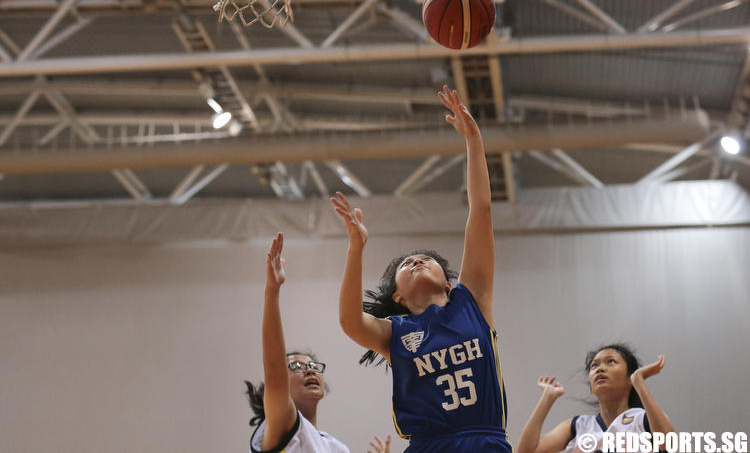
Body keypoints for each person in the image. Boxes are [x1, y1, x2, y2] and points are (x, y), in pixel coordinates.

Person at [330, 86, 512, 453]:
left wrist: (474, 141)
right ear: (397, 295)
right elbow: (351, 321)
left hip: (485, 440)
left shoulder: (472, 301)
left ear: (448, 282)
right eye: (405, 264)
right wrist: (356, 249)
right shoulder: (396, 333)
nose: (415, 261)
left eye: (426, 260)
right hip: (428, 445)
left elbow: (481, 211)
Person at [245, 232, 391, 453]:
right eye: (296, 366)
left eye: (313, 367)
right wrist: (272, 292)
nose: (309, 371)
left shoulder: (337, 447)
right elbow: (274, 367)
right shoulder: (280, 427)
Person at [516, 343, 675, 453]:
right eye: (594, 366)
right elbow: (526, 451)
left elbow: (669, 444)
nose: (600, 369)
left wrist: (639, 382)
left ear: (629, 377)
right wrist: (547, 399)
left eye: (611, 361)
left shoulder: (644, 419)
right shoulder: (577, 426)